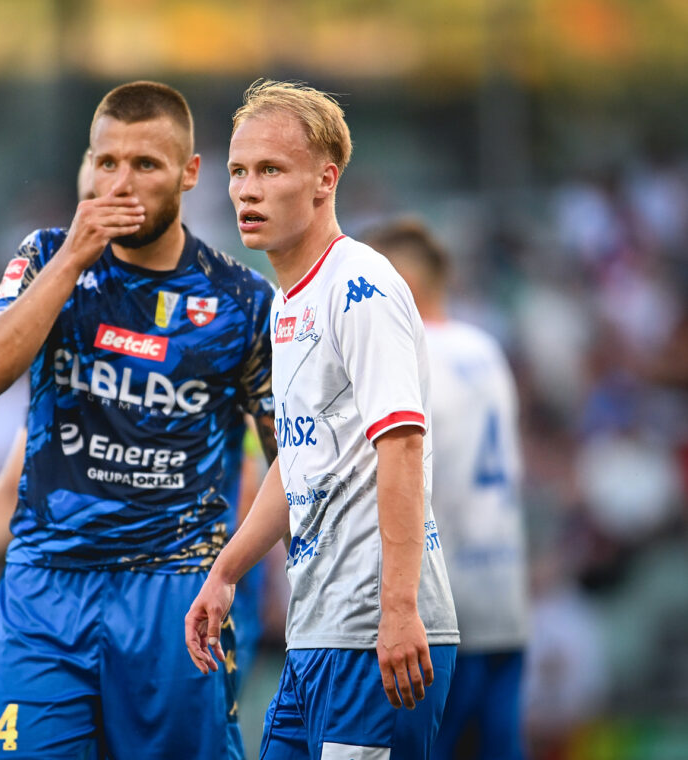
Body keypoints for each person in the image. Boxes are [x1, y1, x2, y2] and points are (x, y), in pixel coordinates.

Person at [0, 81, 278, 759]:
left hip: (173, 596)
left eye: (146, 164)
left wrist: (232, 571)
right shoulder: (46, 256)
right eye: (107, 162)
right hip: (44, 595)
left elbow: (291, 459)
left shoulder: (242, 301)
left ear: (190, 173)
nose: (122, 182)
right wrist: (74, 258)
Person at [185, 79, 459, 759]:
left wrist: (398, 609)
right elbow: (298, 460)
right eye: (238, 172)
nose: (247, 190)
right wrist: (227, 570)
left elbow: (400, 447)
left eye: (270, 171)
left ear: (323, 181)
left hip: (374, 634)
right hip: (316, 634)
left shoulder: (359, 288)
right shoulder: (286, 306)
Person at [366, 219, 528, 760]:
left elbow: (399, 473)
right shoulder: (485, 349)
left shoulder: (412, 356)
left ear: (399, 286)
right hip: (503, 598)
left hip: (440, 611)